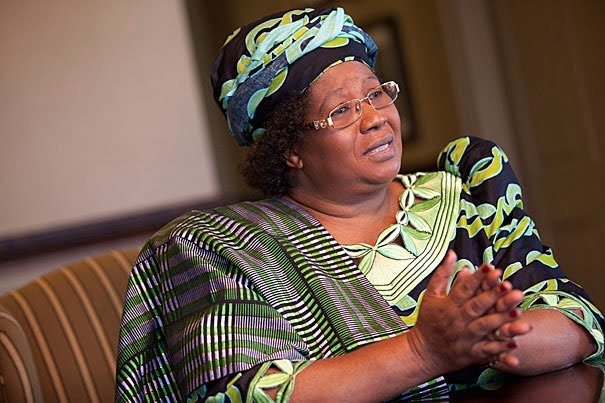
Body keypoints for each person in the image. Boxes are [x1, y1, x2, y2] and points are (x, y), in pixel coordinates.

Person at [115, 7, 603, 402]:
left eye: (376, 94)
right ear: (290, 148)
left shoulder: (469, 193)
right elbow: (250, 393)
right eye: (342, 110)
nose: (375, 119)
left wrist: (484, 337)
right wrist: (425, 350)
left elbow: (578, 321)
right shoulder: (221, 249)